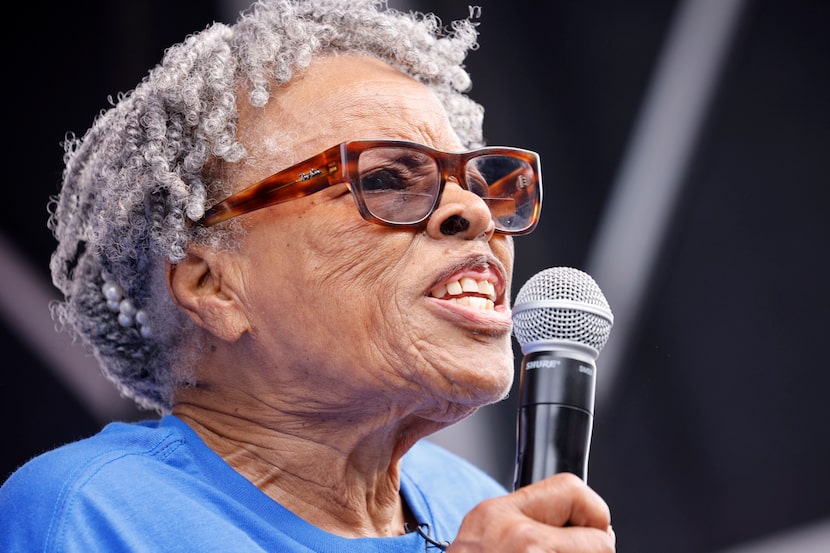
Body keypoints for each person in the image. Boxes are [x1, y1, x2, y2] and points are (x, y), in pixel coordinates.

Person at [0, 0, 614, 551]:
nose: (476, 211)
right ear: (213, 286)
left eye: (479, 183)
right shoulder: (88, 514)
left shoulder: (475, 504)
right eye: (383, 180)